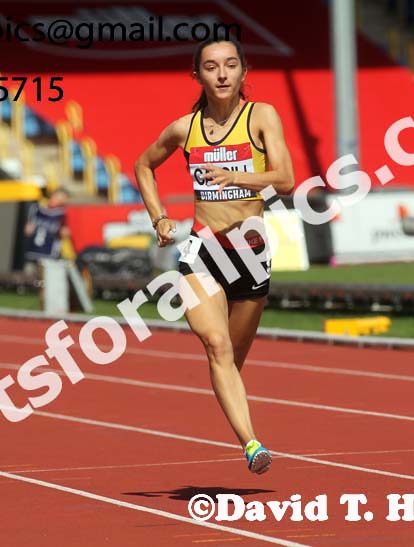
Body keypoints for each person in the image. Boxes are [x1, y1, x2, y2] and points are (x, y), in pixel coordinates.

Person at [134, 38, 295, 474]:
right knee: (216, 345)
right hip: (202, 253)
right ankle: (252, 445)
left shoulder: (261, 116)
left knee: (231, 363)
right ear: (197, 75)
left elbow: (285, 181)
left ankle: (232, 406)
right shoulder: (184, 129)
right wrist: (158, 216)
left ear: (244, 71)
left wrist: (235, 176)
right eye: (211, 67)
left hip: (250, 256)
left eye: (230, 65)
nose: (222, 74)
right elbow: (143, 165)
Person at [23, 187, 70, 274]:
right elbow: (28, 230)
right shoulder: (37, 208)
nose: (60, 200)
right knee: (29, 277)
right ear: (53, 195)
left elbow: (64, 232)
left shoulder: (62, 214)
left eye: (63, 199)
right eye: (59, 197)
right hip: (33, 252)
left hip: (49, 255)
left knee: (46, 278)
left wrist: (63, 232)